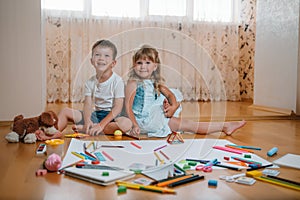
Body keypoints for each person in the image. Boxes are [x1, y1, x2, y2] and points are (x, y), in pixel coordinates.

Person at [125, 44, 246, 138]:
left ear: (155, 66)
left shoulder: (156, 84)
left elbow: (171, 95)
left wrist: (172, 107)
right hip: (142, 121)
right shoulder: (133, 83)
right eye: (139, 63)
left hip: (152, 118)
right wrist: (135, 125)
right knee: (188, 125)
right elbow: (128, 107)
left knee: (187, 123)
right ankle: (224, 126)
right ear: (134, 65)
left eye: (147, 62)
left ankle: (224, 126)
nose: (143, 66)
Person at [57, 39, 132, 135]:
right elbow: (87, 105)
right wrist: (88, 120)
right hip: (95, 115)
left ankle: (91, 129)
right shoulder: (90, 82)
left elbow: (117, 108)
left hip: (111, 117)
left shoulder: (117, 81)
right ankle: (54, 132)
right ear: (92, 61)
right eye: (97, 55)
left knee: (126, 124)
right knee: (65, 111)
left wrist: (101, 125)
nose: (101, 58)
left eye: (106, 56)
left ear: (113, 63)